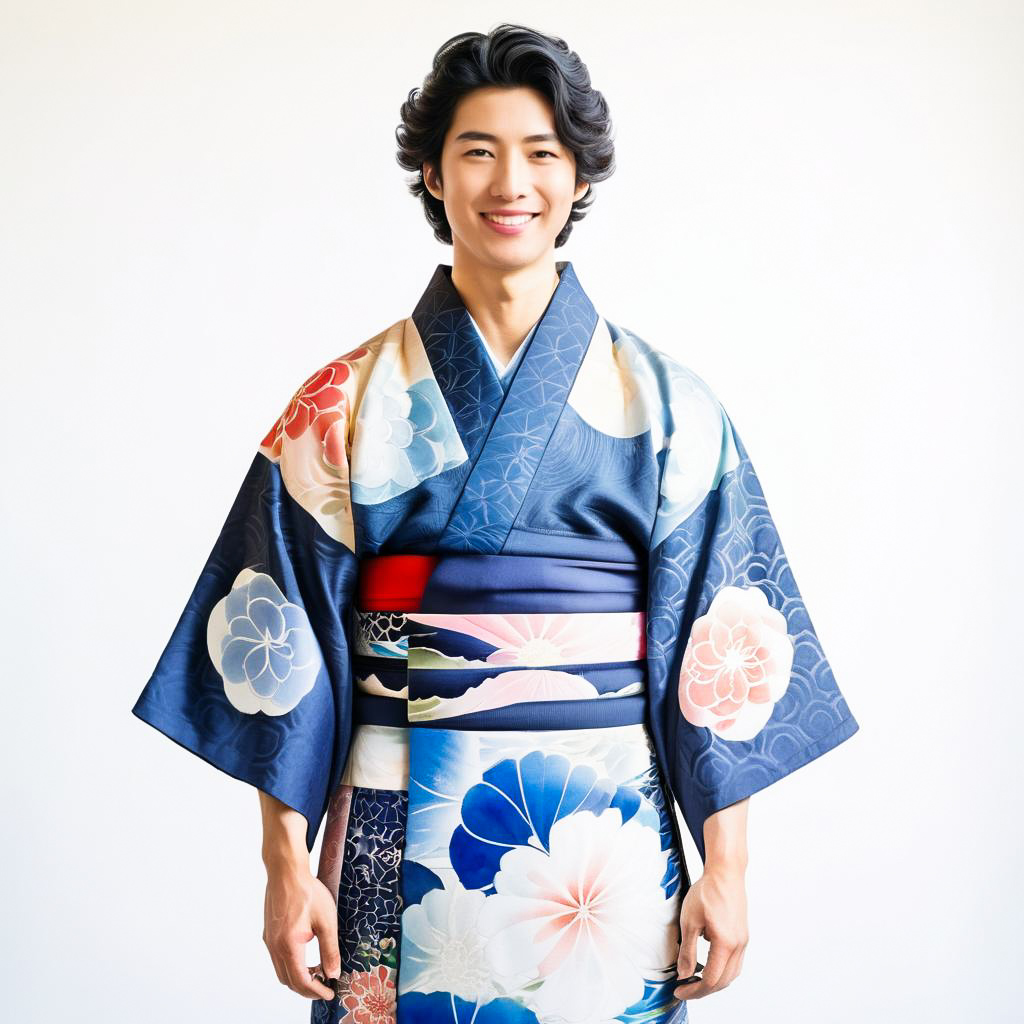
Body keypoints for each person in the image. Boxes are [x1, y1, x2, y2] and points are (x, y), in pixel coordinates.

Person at [132, 23, 859, 1024]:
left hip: (604, 847)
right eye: (477, 150)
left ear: (575, 178)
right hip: (392, 825)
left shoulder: (667, 404)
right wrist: (283, 865)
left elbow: (718, 641)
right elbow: (281, 648)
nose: (508, 181)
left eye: (540, 153)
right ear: (432, 173)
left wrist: (726, 866)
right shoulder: (343, 401)